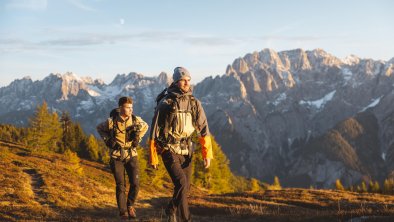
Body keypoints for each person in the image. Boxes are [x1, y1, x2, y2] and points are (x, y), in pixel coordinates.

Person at [149, 67, 213, 222]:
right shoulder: (166, 102)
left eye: (188, 80)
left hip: (186, 151)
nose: (187, 83)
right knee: (182, 184)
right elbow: (154, 130)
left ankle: (181, 217)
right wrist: (153, 157)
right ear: (176, 81)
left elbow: (204, 128)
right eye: (183, 80)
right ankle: (172, 210)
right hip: (168, 149)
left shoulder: (194, 103)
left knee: (185, 189)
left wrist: (207, 154)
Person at [97, 96, 148, 220]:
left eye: (131, 107)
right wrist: (108, 141)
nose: (131, 110)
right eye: (128, 107)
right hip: (116, 156)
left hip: (132, 155)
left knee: (135, 183)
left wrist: (138, 138)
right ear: (120, 108)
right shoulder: (111, 122)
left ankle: (130, 205)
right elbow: (99, 128)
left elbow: (146, 126)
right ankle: (123, 212)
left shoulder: (136, 120)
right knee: (121, 185)